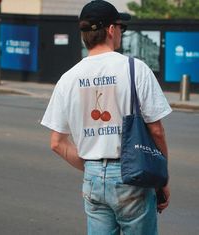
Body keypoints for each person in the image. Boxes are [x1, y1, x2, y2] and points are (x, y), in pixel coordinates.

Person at [41, 0, 172, 234]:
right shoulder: (136, 69)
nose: (121, 32)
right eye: (121, 27)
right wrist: (161, 179)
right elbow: (156, 131)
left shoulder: (68, 79)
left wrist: (95, 170)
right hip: (132, 176)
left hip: (92, 179)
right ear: (111, 30)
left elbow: (56, 143)